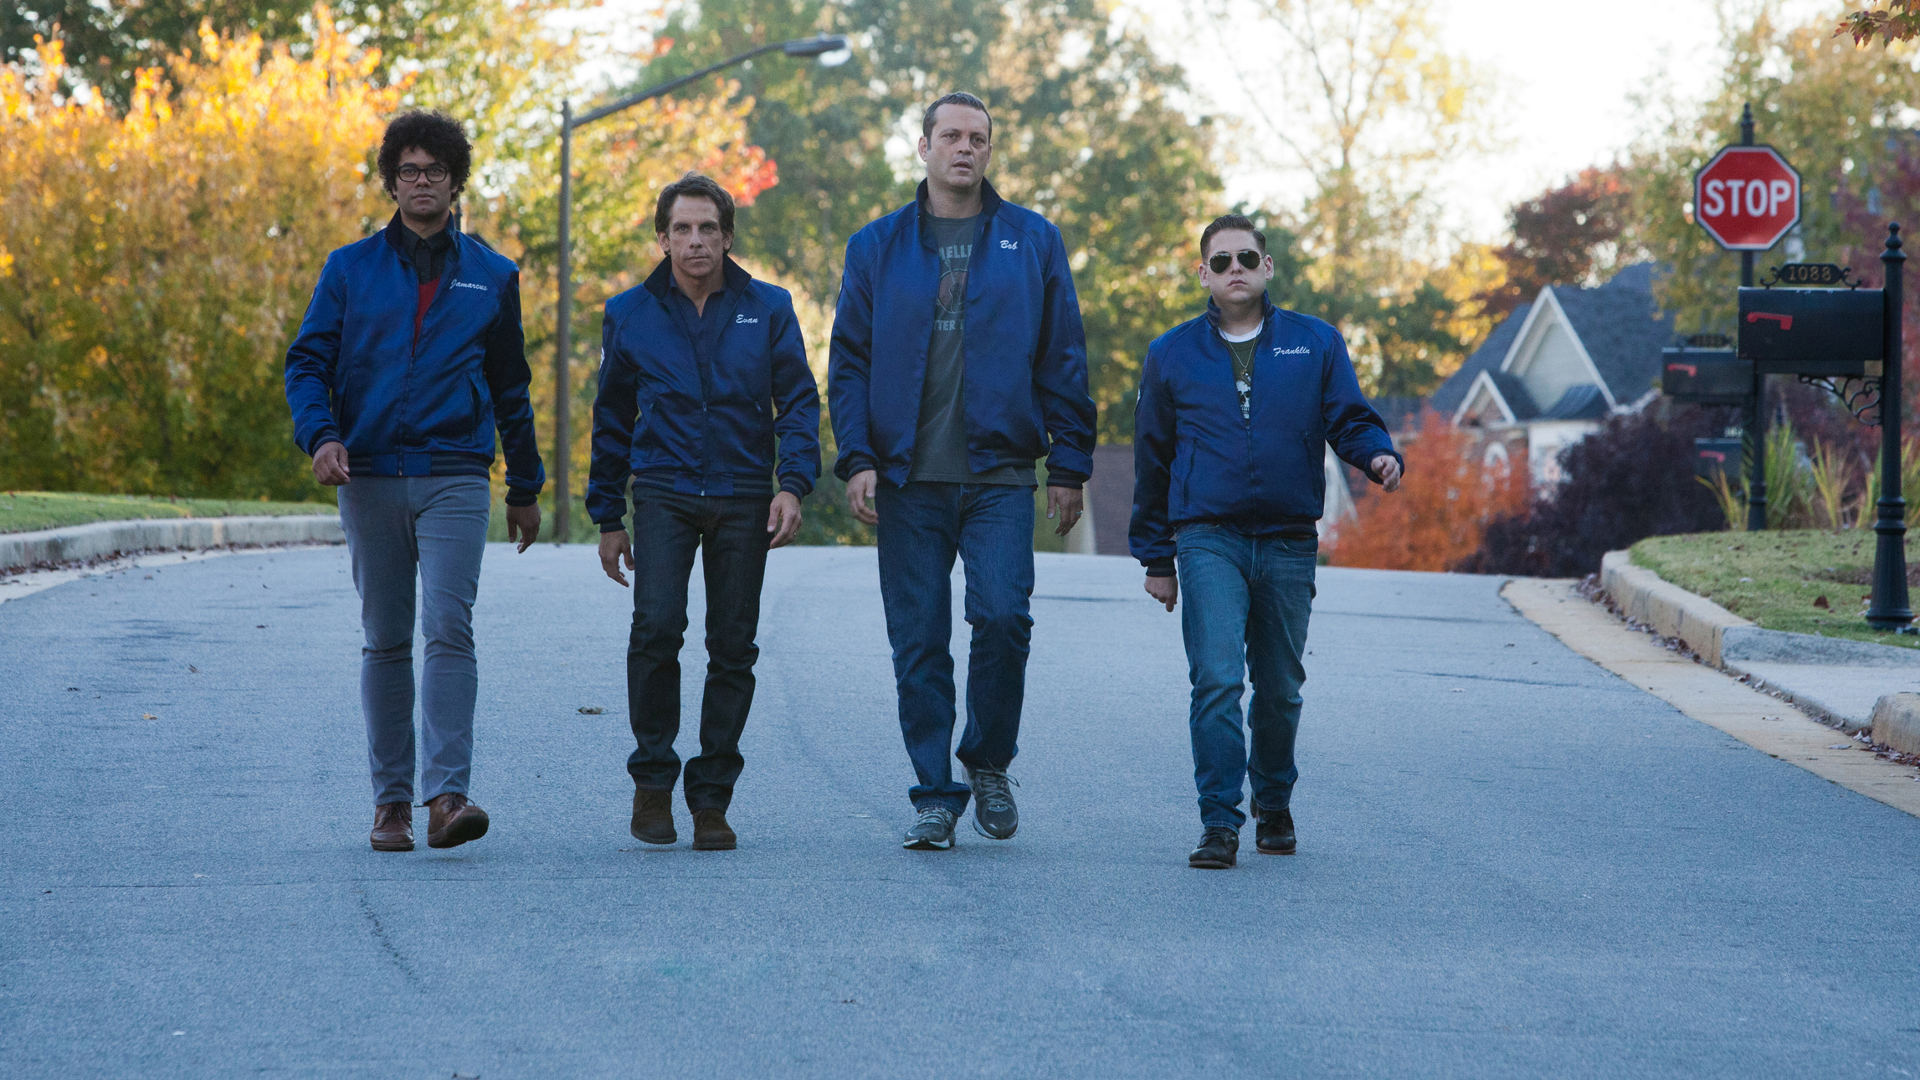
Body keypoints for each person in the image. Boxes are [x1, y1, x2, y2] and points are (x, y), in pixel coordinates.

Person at [829, 91, 1095, 850]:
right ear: (923, 148)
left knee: (1004, 618)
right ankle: (934, 794)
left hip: (1001, 472)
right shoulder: (876, 246)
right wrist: (857, 458)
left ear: (989, 149)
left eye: (977, 137)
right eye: (950, 136)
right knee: (918, 640)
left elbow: (1064, 357)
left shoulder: (1033, 241)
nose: (964, 149)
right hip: (907, 478)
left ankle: (986, 760)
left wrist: (1070, 464)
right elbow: (847, 361)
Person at [285, 110, 544, 852]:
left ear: (456, 181)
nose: (421, 182)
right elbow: (306, 363)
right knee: (385, 638)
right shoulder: (350, 268)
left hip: (455, 474)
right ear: (391, 181)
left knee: (449, 628)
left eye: (434, 171)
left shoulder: (491, 275)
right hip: (367, 473)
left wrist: (524, 486)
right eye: (407, 171)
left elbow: (510, 386)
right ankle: (391, 804)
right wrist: (322, 435)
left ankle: (447, 797)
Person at [1129, 213, 1404, 869]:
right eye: (1220, 261)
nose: (1234, 271)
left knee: (1279, 688)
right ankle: (1219, 822)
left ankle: (1273, 802)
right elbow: (1153, 457)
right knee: (1217, 682)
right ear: (1203, 273)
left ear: (1267, 267)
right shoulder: (1172, 354)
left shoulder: (1315, 344)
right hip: (1207, 538)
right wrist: (1156, 557)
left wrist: (1377, 456)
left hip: (1285, 539)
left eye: (1246, 258)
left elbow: (1349, 418)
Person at [588, 174, 821, 851]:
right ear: (661, 239)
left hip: (745, 492)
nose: (695, 242)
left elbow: (799, 402)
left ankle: (712, 796)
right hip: (661, 488)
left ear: (727, 237)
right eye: (682, 230)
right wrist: (607, 515)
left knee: (733, 645)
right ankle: (653, 781)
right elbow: (611, 418)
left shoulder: (768, 308)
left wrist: (792, 483)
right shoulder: (629, 312)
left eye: (708, 229)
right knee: (656, 627)